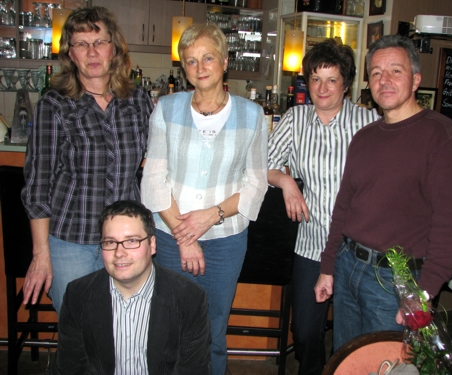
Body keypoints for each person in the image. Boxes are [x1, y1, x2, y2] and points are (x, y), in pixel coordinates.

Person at [314, 34, 452, 351]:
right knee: (347, 362)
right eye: (376, 72)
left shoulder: (442, 137)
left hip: (396, 282)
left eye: (395, 71)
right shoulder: (364, 137)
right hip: (348, 269)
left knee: (388, 366)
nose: (384, 80)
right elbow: (343, 209)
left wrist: (422, 294)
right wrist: (328, 267)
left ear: (416, 80)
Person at [141, 23, 268, 375]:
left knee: (213, 331)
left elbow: (255, 183)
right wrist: (185, 235)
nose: (200, 67)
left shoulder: (252, 115)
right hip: (169, 238)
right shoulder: (166, 109)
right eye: (191, 61)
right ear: (184, 68)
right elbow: (153, 181)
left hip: (226, 242)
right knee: (172, 327)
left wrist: (210, 216)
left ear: (225, 61)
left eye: (208, 57)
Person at [21, 6, 153, 315]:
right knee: (80, 331)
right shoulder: (54, 105)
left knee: (126, 327)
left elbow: (156, 164)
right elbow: (38, 185)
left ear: (114, 49)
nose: (91, 52)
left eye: (99, 42)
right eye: (81, 44)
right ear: (70, 53)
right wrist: (41, 254)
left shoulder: (138, 100)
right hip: (72, 241)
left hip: (128, 241)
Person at [268, 39, 380, 374]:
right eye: (315, 79)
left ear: (346, 85)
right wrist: (285, 182)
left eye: (332, 80)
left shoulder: (369, 121)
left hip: (357, 248)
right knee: (304, 331)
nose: (322, 87)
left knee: (357, 336)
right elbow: (261, 166)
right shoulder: (296, 119)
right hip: (311, 245)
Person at [52, 200, 211, 374]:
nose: (119, 253)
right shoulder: (77, 294)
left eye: (132, 241)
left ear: (152, 245)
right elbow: (71, 368)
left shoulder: (189, 298)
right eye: (110, 242)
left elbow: (192, 370)